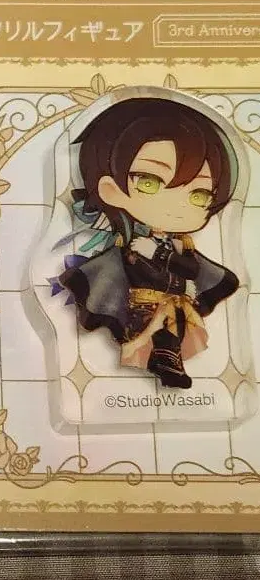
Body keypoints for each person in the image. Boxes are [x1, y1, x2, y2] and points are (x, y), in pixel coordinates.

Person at [59, 96, 240, 389]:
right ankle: (164, 360)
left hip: (175, 307)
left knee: (174, 331)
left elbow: (190, 269)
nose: (176, 206)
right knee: (160, 332)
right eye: (149, 182)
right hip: (143, 307)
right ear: (110, 190)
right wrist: (168, 270)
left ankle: (170, 361)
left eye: (199, 195)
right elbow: (143, 273)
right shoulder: (132, 247)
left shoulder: (180, 245)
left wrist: (171, 265)